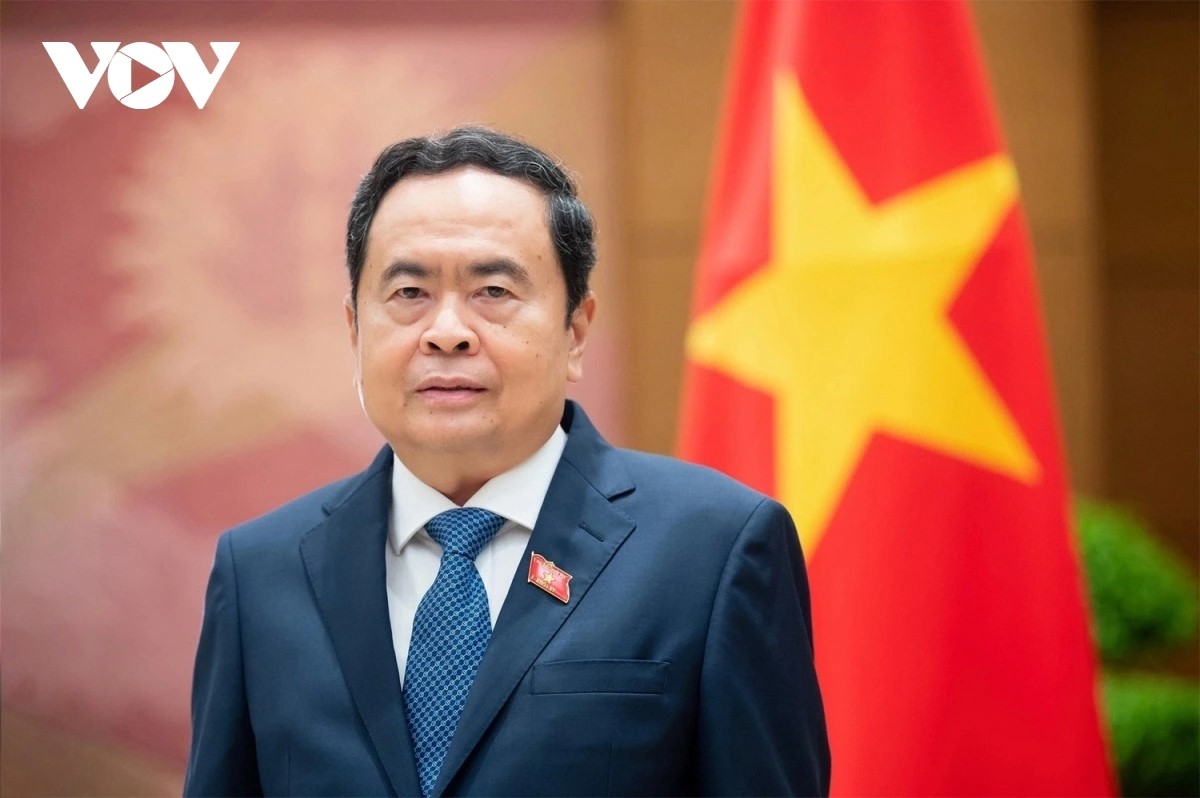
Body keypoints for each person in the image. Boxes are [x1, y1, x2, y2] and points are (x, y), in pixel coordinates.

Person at [184, 126, 830, 797]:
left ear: (575, 330)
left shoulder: (712, 551)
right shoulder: (260, 571)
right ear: (355, 330)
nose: (447, 332)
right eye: (409, 294)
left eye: (493, 291)